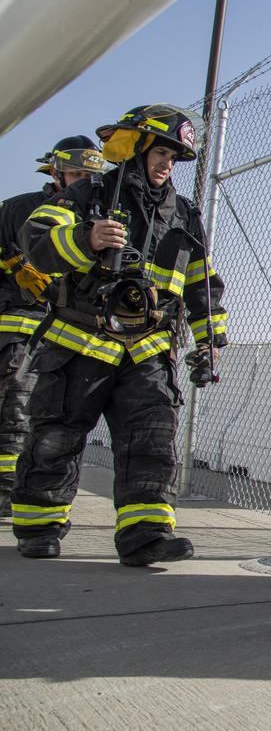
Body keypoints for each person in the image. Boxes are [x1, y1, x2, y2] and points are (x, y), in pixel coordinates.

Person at [10, 104, 227, 565]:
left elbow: (202, 284)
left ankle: (145, 535)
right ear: (137, 147)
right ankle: (38, 527)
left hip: (147, 349)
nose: (168, 164)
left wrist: (211, 341)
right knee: (57, 438)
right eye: (161, 152)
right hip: (79, 343)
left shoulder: (184, 214)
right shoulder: (90, 194)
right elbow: (36, 238)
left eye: (175, 157)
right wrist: (85, 239)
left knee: (152, 438)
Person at [0, 137, 114, 518]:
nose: (82, 180)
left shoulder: (95, 214)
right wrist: (13, 265)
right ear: (55, 171)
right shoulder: (20, 210)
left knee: (21, 412)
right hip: (12, 321)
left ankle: (7, 494)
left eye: (89, 174)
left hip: (52, 330)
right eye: (76, 173)